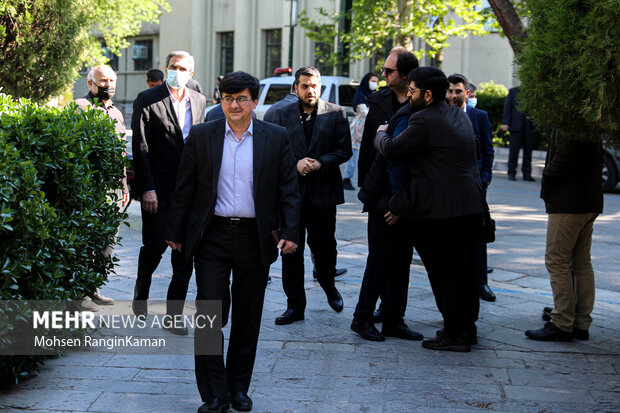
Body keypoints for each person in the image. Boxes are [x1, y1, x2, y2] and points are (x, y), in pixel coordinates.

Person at [164, 71, 300, 413]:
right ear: (219, 100)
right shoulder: (202, 135)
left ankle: (239, 388)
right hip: (212, 236)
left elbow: (289, 190)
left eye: (241, 98)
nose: (234, 105)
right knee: (210, 313)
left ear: (254, 101)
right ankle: (214, 393)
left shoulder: (275, 137)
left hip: (256, 238)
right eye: (227, 98)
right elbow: (185, 188)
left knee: (247, 315)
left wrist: (291, 232)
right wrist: (176, 232)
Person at [375, 67, 487, 352]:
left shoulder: (424, 119)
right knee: (463, 273)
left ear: (427, 94)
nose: (408, 96)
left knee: (444, 275)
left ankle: (454, 333)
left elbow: (393, 149)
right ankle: (466, 328)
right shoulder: (457, 114)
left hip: (442, 213)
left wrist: (381, 133)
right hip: (469, 207)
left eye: (412, 91)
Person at [264, 66, 352, 325]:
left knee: (325, 248)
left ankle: (328, 284)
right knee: (291, 250)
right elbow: (272, 152)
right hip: (291, 197)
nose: (310, 90)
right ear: (296, 88)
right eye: (304, 86)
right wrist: (295, 163)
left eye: (314, 85)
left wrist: (320, 162)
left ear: (320, 86)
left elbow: (344, 150)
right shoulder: (280, 114)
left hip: (324, 194)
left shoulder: (335, 113)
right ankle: (295, 306)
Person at [131, 50, 207, 333]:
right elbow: (141, 147)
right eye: (173, 67)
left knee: (184, 256)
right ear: (166, 69)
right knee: (154, 249)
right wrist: (147, 188)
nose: (178, 71)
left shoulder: (199, 100)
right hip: (158, 190)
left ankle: (173, 316)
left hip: (189, 193)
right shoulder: (147, 99)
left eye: (183, 68)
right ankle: (141, 295)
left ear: (191, 73)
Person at [351, 81, 423, 342]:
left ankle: (393, 319)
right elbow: (390, 159)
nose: (383, 75)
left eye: (389, 71)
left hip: (402, 203)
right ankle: (362, 317)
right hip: (386, 200)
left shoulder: (416, 112)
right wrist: (393, 202)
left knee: (401, 262)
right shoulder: (395, 109)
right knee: (379, 260)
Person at [525, 130, 603, 342]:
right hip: (588, 199)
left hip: (569, 202)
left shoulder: (567, 117)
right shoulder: (588, 115)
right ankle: (580, 321)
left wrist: (548, 176)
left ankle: (562, 322)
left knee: (556, 259)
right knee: (581, 262)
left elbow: (563, 155)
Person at [74, 64, 130, 309]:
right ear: (91, 84)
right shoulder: (80, 108)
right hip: (92, 188)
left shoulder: (117, 113)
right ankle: (80, 295)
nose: (108, 85)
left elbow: (120, 154)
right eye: (102, 80)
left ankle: (94, 288)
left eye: (111, 80)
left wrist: (125, 187)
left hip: (116, 191)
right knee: (88, 241)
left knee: (108, 242)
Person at [447, 74, 496, 302]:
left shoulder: (480, 117)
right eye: (450, 91)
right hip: (448, 188)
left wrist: (484, 179)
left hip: (475, 187)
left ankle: (481, 283)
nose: (454, 95)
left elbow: (488, 151)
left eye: (458, 91)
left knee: (478, 236)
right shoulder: (440, 116)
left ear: (467, 93)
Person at [343, 72, 378, 190]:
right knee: (354, 156)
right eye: (372, 81)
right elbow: (365, 112)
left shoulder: (374, 96)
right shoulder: (361, 96)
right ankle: (347, 178)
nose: (375, 83)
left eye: (376, 81)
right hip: (358, 131)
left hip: (369, 132)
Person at [502, 86, 535, 181]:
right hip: (516, 125)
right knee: (513, 150)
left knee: (528, 151)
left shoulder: (533, 91)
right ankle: (511, 172)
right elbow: (508, 107)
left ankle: (527, 173)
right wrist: (506, 122)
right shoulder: (513, 91)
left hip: (529, 125)